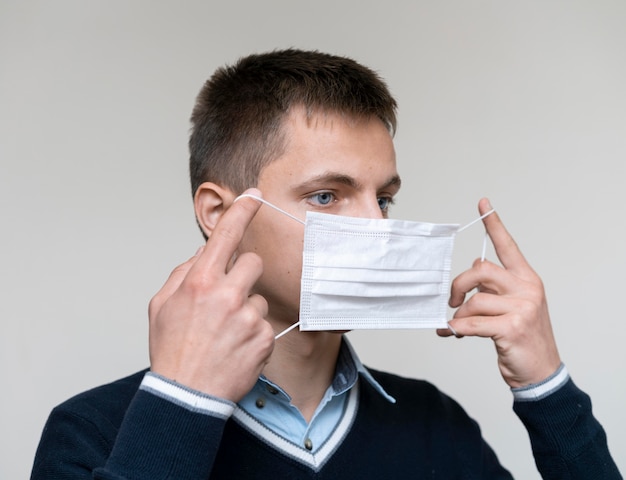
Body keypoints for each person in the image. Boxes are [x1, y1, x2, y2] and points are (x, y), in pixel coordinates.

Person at [31, 49, 621, 479]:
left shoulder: (435, 426)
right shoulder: (92, 432)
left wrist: (547, 388)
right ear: (218, 212)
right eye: (326, 196)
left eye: (383, 198)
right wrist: (184, 403)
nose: (376, 228)